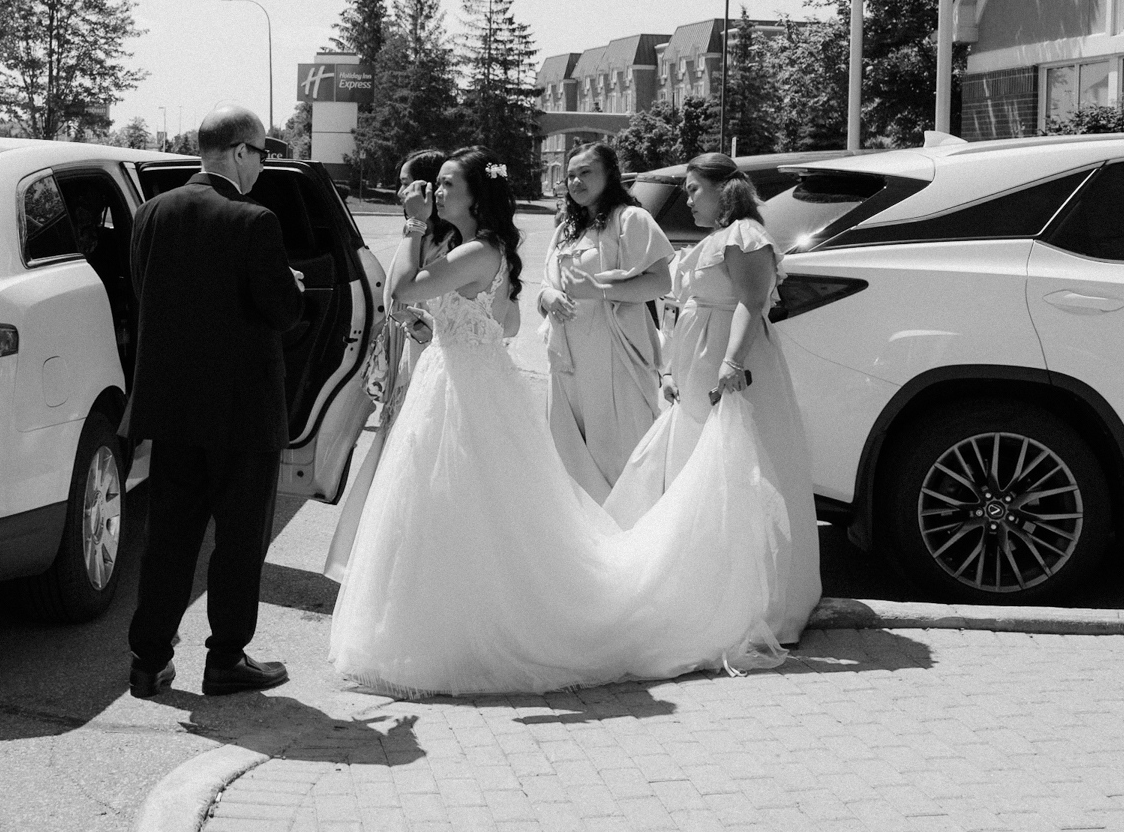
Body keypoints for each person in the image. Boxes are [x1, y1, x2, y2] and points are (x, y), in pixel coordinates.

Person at [329, 148, 790, 697]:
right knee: (447, 501)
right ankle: (441, 619)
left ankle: (479, 628)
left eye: (448, 184)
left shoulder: (484, 248)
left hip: (507, 375)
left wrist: (411, 226)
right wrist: (441, 323)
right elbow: (496, 319)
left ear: (476, 196)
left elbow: (402, 290)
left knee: (472, 499)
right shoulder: (478, 246)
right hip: (461, 375)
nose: (436, 193)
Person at [124, 105, 306, 699]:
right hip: (241, 414)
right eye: (262, 153)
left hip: (172, 410)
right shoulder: (254, 221)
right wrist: (292, 284)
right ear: (236, 152)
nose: (264, 165)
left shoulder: (150, 213)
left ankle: (148, 660)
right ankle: (226, 657)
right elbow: (282, 311)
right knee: (238, 541)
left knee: (169, 540)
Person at [603, 152, 822, 644]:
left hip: (731, 368)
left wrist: (731, 363)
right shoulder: (713, 241)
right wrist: (670, 367)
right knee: (696, 473)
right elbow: (681, 310)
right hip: (695, 370)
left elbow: (751, 302)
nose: (687, 197)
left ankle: (751, 599)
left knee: (738, 473)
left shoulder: (745, 236)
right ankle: (700, 585)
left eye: (694, 189)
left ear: (723, 190)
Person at [322, 149, 454, 583]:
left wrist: (424, 326)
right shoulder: (415, 236)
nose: (400, 192)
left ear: (430, 189)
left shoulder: (456, 243)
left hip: (441, 366)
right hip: (407, 366)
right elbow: (393, 297)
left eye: (407, 183)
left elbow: (464, 313)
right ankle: (391, 568)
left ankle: (424, 570)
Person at [537, 144, 674, 498]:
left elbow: (660, 281)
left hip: (613, 355)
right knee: (570, 450)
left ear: (609, 175)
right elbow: (546, 281)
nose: (576, 181)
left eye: (585, 172)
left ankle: (627, 532)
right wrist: (546, 297)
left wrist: (598, 289)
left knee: (617, 451)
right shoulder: (567, 228)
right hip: (568, 358)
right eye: (570, 175)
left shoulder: (630, 219)